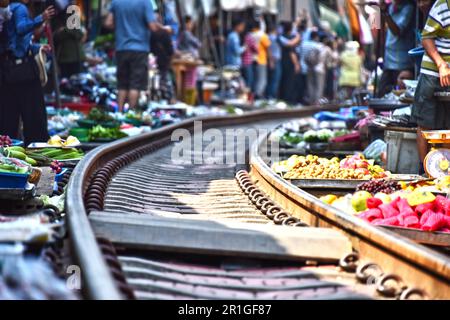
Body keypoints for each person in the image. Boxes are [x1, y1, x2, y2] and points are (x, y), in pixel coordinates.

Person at [0, 1, 55, 145]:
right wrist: (40, 18)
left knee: (8, 118)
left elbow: (15, 41)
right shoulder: (20, 8)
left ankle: (7, 152)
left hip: (7, 71)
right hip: (22, 71)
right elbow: (20, 29)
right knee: (34, 116)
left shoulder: (7, 10)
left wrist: (36, 47)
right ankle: (37, 149)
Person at [412, 0, 450, 172]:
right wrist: (441, 64)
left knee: (446, 125)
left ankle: (444, 170)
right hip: (432, 73)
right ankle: (424, 170)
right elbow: (426, 38)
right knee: (426, 122)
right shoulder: (443, 5)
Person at [105, 0, 163, 111]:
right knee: (135, 84)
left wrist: (121, 27)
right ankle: (130, 113)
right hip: (139, 48)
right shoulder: (145, 2)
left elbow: (108, 22)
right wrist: (164, 29)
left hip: (121, 48)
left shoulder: (116, 2)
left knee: (122, 84)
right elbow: (153, 26)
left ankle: (120, 112)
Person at [376, 0, 416, 98]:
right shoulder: (390, 7)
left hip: (403, 62)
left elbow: (397, 31)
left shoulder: (408, 7)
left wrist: (385, 13)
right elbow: (382, 29)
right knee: (382, 92)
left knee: (403, 95)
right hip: (389, 60)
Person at [151, 12, 175, 102]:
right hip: (163, 61)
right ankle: (167, 99)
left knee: (155, 82)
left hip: (152, 61)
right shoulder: (165, 33)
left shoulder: (149, 34)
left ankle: (156, 99)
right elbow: (171, 50)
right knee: (164, 81)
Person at [178, 16, 201, 105]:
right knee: (190, 82)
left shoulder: (185, 34)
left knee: (190, 82)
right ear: (186, 24)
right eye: (190, 23)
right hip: (189, 62)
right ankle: (190, 103)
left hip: (190, 61)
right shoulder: (186, 34)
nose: (192, 25)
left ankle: (190, 102)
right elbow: (198, 44)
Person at [278, 22, 301, 104]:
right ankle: (288, 100)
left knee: (284, 80)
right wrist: (296, 64)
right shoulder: (289, 38)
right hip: (290, 63)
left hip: (283, 61)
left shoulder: (282, 37)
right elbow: (292, 52)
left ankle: (283, 98)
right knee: (290, 81)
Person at [301, 31, 324, 105]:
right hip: (319, 67)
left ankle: (311, 101)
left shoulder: (304, 44)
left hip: (308, 67)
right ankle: (316, 102)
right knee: (318, 85)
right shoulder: (319, 46)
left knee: (310, 84)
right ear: (316, 37)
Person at [251, 21, 271, 99]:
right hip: (261, 59)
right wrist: (271, 59)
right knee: (262, 80)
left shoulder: (251, 35)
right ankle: (258, 95)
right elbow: (268, 47)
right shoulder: (263, 35)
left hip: (252, 60)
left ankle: (255, 94)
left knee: (256, 79)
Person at [266, 24, 282, 100]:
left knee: (271, 79)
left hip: (271, 60)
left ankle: (269, 95)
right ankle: (272, 96)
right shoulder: (274, 38)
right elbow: (269, 50)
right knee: (275, 79)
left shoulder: (267, 37)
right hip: (275, 60)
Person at [241, 27, 257, 94]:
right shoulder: (249, 36)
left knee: (244, 80)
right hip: (248, 60)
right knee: (249, 80)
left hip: (242, 61)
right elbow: (255, 48)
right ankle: (247, 96)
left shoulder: (241, 35)